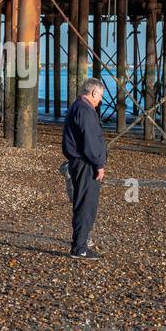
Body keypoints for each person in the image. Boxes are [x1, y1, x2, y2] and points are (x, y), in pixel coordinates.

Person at [62, 78, 107, 259]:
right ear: (94, 92)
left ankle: (81, 241)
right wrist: (99, 164)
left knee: (83, 203)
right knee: (86, 205)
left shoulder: (77, 106)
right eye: (100, 96)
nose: (101, 101)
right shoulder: (86, 110)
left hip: (79, 162)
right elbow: (91, 142)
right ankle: (79, 247)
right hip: (85, 164)